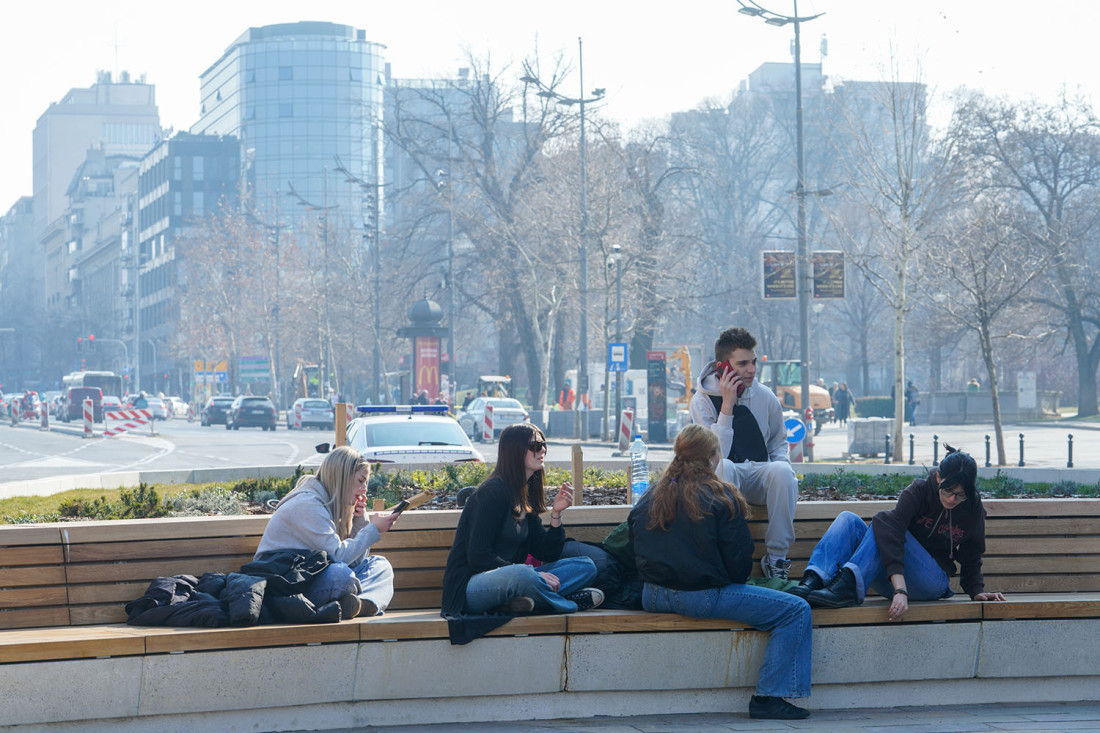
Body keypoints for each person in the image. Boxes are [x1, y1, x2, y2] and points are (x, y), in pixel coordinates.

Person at [630, 425, 812, 720]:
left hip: (651, 595)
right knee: (796, 610)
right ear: (714, 458)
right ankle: (768, 698)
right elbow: (739, 570)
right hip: (700, 597)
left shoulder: (652, 495)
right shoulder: (722, 496)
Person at [790, 445, 1007, 617]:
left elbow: (972, 553)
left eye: (960, 495)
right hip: (894, 580)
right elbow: (889, 528)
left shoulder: (972, 508)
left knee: (884, 523)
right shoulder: (919, 491)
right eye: (949, 491)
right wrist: (899, 589)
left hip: (932, 582)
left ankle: (845, 589)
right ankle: (813, 581)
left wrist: (976, 591)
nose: (952, 499)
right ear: (939, 478)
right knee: (849, 519)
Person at [441, 422, 603, 619]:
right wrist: (528, 574)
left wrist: (556, 515)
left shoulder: (525, 494)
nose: (542, 449)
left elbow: (547, 552)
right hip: (472, 587)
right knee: (524, 574)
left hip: (515, 580)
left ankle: (521, 603)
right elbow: (478, 556)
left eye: (543, 445)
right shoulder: (491, 493)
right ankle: (566, 604)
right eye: (535, 446)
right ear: (515, 451)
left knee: (586, 565)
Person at [689, 326, 800, 580]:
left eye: (753, 362)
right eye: (742, 364)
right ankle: (729, 555)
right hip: (724, 480)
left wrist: (781, 468)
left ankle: (776, 559)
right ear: (722, 367)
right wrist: (727, 405)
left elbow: (778, 442)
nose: (751, 370)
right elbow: (714, 457)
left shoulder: (765, 396)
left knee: (783, 471)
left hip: (758, 475)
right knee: (724, 466)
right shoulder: (701, 402)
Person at [255, 445, 397, 619]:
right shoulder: (309, 504)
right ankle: (358, 603)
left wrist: (360, 519)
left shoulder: (329, 502)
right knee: (341, 574)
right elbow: (339, 557)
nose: (364, 488)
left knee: (380, 565)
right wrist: (373, 529)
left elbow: (355, 561)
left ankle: (358, 605)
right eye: (360, 480)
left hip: (309, 576)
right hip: (286, 587)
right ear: (342, 477)